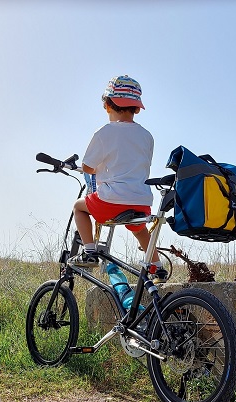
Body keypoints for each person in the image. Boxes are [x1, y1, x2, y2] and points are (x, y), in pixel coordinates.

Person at [69, 75, 167, 283]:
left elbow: (88, 167)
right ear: (137, 108)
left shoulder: (104, 132)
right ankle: (157, 267)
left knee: (78, 207)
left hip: (111, 200)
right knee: (139, 229)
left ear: (107, 105)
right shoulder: (147, 136)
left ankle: (89, 252)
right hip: (141, 200)